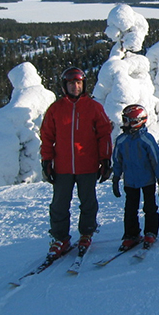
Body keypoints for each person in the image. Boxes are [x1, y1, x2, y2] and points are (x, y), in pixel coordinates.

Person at [40, 67, 113, 257]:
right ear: (65, 86)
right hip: (63, 166)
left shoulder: (94, 108)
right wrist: (46, 161)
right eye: (72, 83)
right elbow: (47, 136)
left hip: (87, 165)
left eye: (79, 83)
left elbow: (104, 134)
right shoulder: (56, 109)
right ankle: (60, 238)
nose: (76, 86)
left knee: (88, 202)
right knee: (59, 204)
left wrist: (105, 160)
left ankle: (86, 232)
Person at [111, 104, 159, 250]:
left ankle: (151, 232)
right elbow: (117, 160)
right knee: (130, 209)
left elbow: (157, 160)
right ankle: (131, 234)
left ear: (137, 121)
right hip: (130, 181)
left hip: (147, 180)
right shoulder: (121, 140)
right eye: (124, 120)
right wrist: (116, 178)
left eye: (127, 120)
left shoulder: (146, 139)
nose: (125, 124)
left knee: (149, 207)